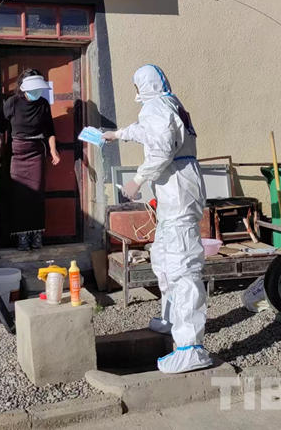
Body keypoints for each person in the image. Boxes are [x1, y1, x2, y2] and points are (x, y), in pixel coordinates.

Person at [102, 65, 211, 374]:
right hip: (175, 194)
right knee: (163, 259)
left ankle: (191, 348)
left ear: (143, 87)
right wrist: (116, 135)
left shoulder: (156, 108)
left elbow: (161, 149)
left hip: (178, 194)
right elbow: (144, 130)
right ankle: (172, 318)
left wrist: (137, 180)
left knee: (182, 266)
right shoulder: (167, 103)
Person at [1, 69, 61, 251]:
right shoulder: (12, 103)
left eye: (38, 89)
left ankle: (36, 235)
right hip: (18, 153)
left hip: (36, 153)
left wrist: (53, 151)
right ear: (23, 88)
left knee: (36, 194)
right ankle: (22, 237)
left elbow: (50, 130)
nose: (36, 93)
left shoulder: (43, 104)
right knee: (20, 196)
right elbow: (0, 127)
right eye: (33, 89)